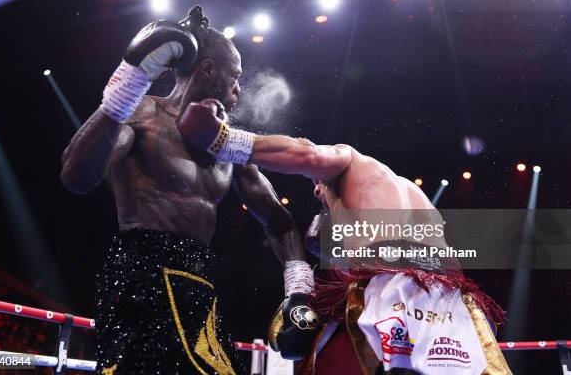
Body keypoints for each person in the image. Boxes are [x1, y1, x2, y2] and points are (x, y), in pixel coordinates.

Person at [60, 6, 317, 374]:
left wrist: (298, 287)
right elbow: (76, 176)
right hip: (143, 272)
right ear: (209, 70)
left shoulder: (225, 145)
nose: (239, 89)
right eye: (234, 76)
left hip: (199, 282)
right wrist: (130, 83)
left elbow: (278, 219)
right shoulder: (143, 114)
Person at [177, 101, 512, 374]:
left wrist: (221, 139)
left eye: (316, 189)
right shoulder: (406, 195)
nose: (318, 194)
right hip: (455, 303)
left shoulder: (346, 159)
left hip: (392, 291)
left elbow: (305, 156)